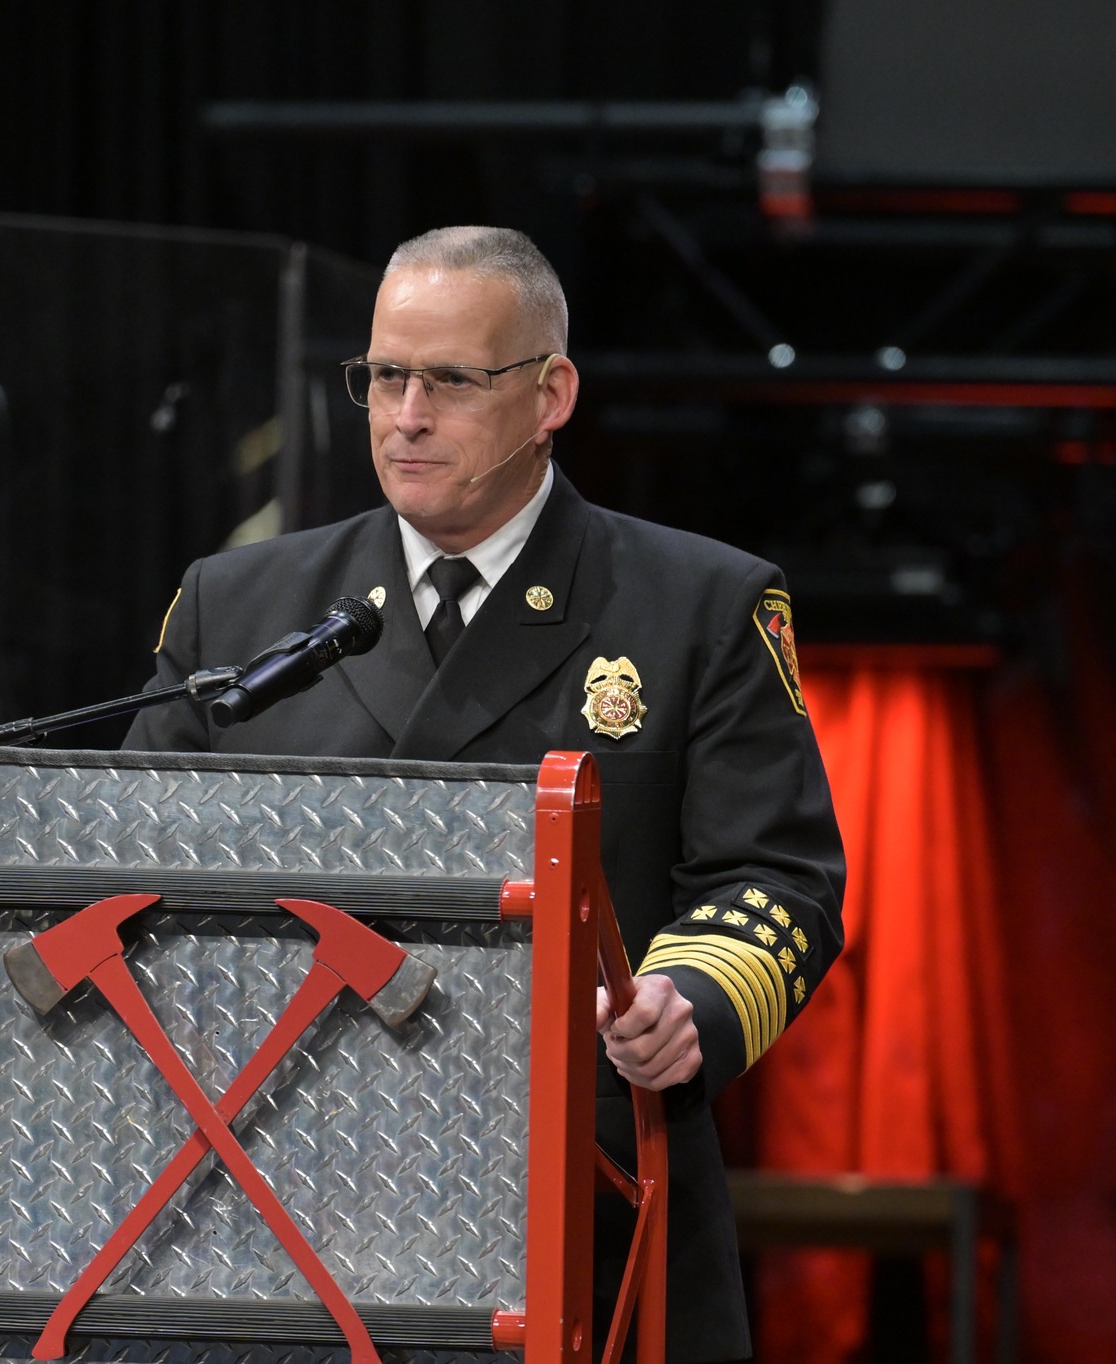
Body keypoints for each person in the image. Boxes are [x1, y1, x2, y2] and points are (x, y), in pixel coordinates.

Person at [125, 226, 845, 1362]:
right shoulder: (240, 603)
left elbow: (777, 876)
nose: (403, 413)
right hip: (279, 1202)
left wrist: (680, 1001)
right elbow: (130, 868)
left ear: (550, 391)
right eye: (382, 376)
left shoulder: (699, 604)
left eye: (450, 379)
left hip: (578, 1203)